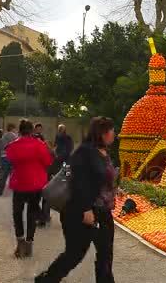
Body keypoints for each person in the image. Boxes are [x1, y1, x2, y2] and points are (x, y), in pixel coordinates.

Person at [36, 117, 117, 283]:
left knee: (105, 252)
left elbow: (102, 178)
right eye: (111, 130)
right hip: (82, 211)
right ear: (102, 133)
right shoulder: (85, 152)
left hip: (103, 211)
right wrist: (86, 209)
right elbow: (78, 182)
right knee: (75, 253)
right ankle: (47, 279)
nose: (114, 134)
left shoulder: (104, 152)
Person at [6, 119, 53, 258]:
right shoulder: (40, 145)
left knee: (17, 213)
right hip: (36, 184)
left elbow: (10, 159)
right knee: (32, 213)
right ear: (32, 131)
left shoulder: (12, 146)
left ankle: (20, 243)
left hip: (19, 183)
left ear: (19, 130)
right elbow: (48, 162)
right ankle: (29, 244)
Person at [39, 124, 74, 227]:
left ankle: (46, 217)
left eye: (61, 129)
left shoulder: (65, 139)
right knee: (53, 192)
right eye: (59, 129)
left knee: (55, 192)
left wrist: (57, 155)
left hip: (62, 166)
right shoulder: (59, 139)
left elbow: (66, 151)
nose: (60, 130)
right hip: (60, 167)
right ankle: (46, 216)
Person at [0, 123, 18, 196]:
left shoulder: (4, 136)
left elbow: (0, 147)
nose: (16, 130)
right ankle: (15, 192)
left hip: (3, 157)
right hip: (10, 157)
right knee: (14, 175)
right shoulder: (13, 135)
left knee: (3, 176)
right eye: (15, 128)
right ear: (12, 128)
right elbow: (17, 145)